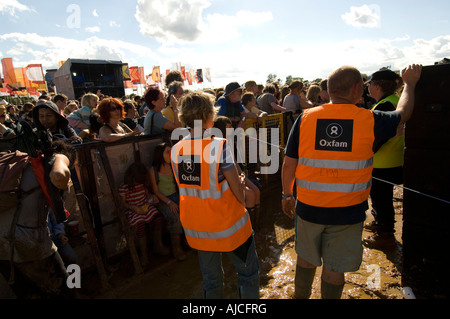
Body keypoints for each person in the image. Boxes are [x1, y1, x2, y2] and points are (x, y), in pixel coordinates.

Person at [281, 64, 422, 299]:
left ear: (330, 89)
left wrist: (287, 194)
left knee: (305, 259)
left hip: (308, 208)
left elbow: (289, 163)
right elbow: (404, 113)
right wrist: (409, 84)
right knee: (335, 268)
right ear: (357, 89)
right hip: (348, 212)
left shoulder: (306, 118)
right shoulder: (369, 119)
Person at [171, 91, 259, 299]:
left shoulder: (176, 149)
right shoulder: (219, 146)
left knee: (211, 280)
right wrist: (242, 190)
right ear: (208, 116)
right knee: (247, 274)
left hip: (197, 227)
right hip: (229, 223)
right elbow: (237, 190)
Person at [0, 136, 76, 299]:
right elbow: (59, 178)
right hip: (28, 242)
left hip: (3, 248)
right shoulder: (52, 163)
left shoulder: (16, 163)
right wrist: (62, 164)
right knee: (66, 290)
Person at [364, 69, 405, 247]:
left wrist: (364, 152)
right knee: (382, 198)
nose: (368, 88)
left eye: (370, 84)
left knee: (381, 199)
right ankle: (380, 224)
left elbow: (377, 137)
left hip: (382, 162)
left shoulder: (385, 105)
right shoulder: (395, 101)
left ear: (378, 85)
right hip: (394, 159)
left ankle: (385, 235)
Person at [213, 116, 262, 230]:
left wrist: (242, 173)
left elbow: (234, 162)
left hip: (236, 174)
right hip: (227, 179)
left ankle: (257, 225)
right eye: (228, 127)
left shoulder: (228, 141)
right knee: (250, 195)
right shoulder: (218, 143)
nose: (230, 129)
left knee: (257, 191)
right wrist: (239, 177)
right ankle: (250, 228)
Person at [118, 162, 169, 266]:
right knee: (140, 224)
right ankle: (144, 254)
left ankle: (158, 245)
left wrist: (152, 197)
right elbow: (123, 204)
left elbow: (147, 195)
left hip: (144, 206)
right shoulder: (123, 188)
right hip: (133, 210)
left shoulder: (142, 184)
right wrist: (133, 207)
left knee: (157, 217)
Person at [149, 142, 187, 261]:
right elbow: (156, 191)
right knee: (174, 217)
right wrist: (169, 203)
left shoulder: (173, 166)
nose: (170, 154)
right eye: (167, 152)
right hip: (163, 200)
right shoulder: (153, 170)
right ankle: (176, 249)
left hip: (176, 195)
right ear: (160, 154)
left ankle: (188, 241)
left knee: (188, 212)